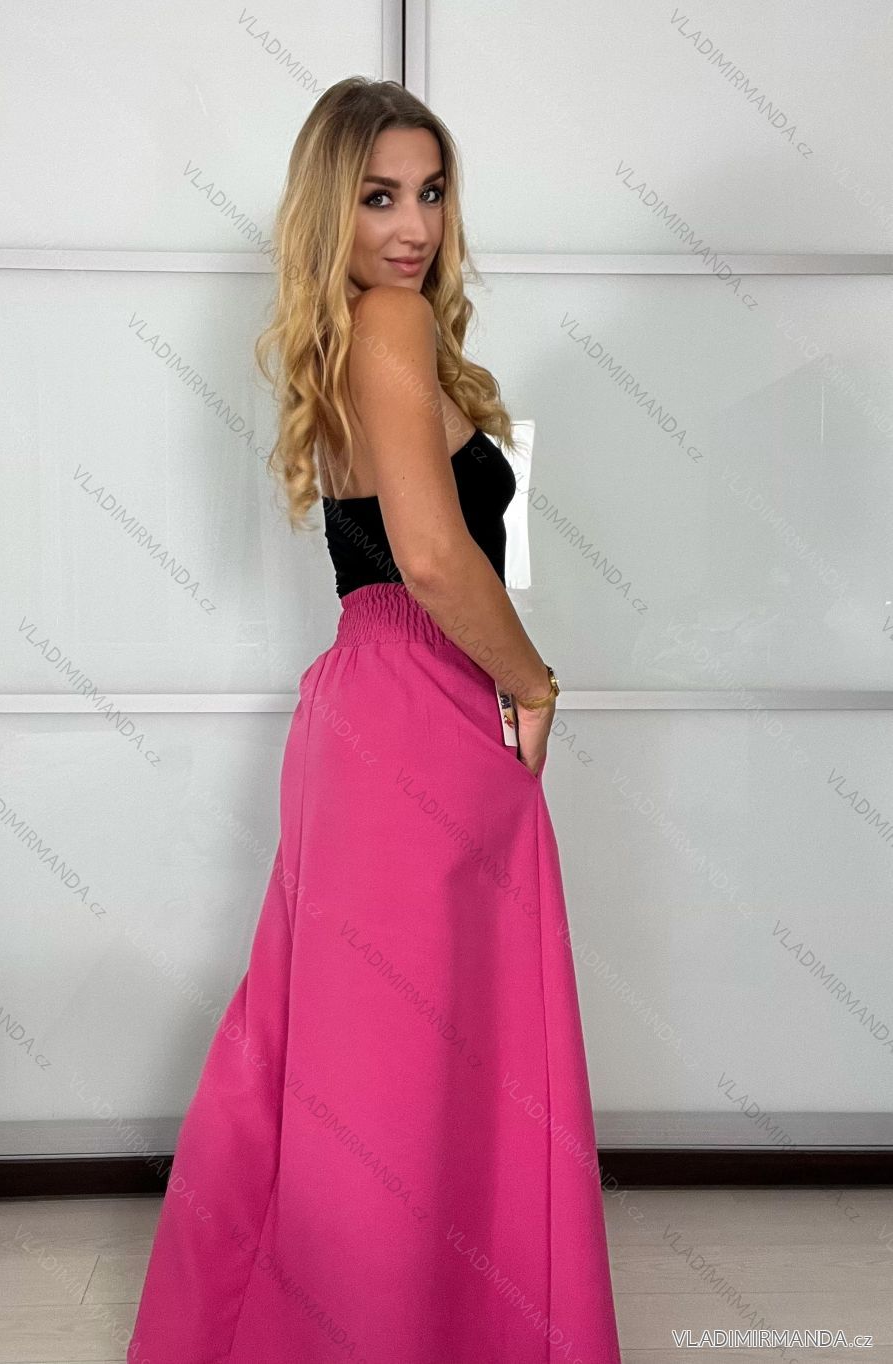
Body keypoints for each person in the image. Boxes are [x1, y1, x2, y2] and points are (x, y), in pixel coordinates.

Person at [127, 75, 623, 1364]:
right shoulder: (392, 323)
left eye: (432, 192)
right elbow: (438, 559)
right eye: (379, 196)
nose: (414, 226)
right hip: (421, 704)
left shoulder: (360, 335)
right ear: (328, 212)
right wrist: (535, 684)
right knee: (412, 1058)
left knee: (359, 1052)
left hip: (366, 700)